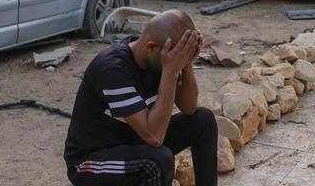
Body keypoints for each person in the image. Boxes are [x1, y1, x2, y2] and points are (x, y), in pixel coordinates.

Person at [64, 10, 218, 186]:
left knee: (203, 120)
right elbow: (154, 137)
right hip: (92, 161)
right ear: (151, 47)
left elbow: (189, 108)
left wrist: (187, 63)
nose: (177, 59)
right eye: (178, 55)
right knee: (158, 161)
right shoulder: (112, 68)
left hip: (133, 142)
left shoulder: (160, 56)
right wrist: (171, 71)